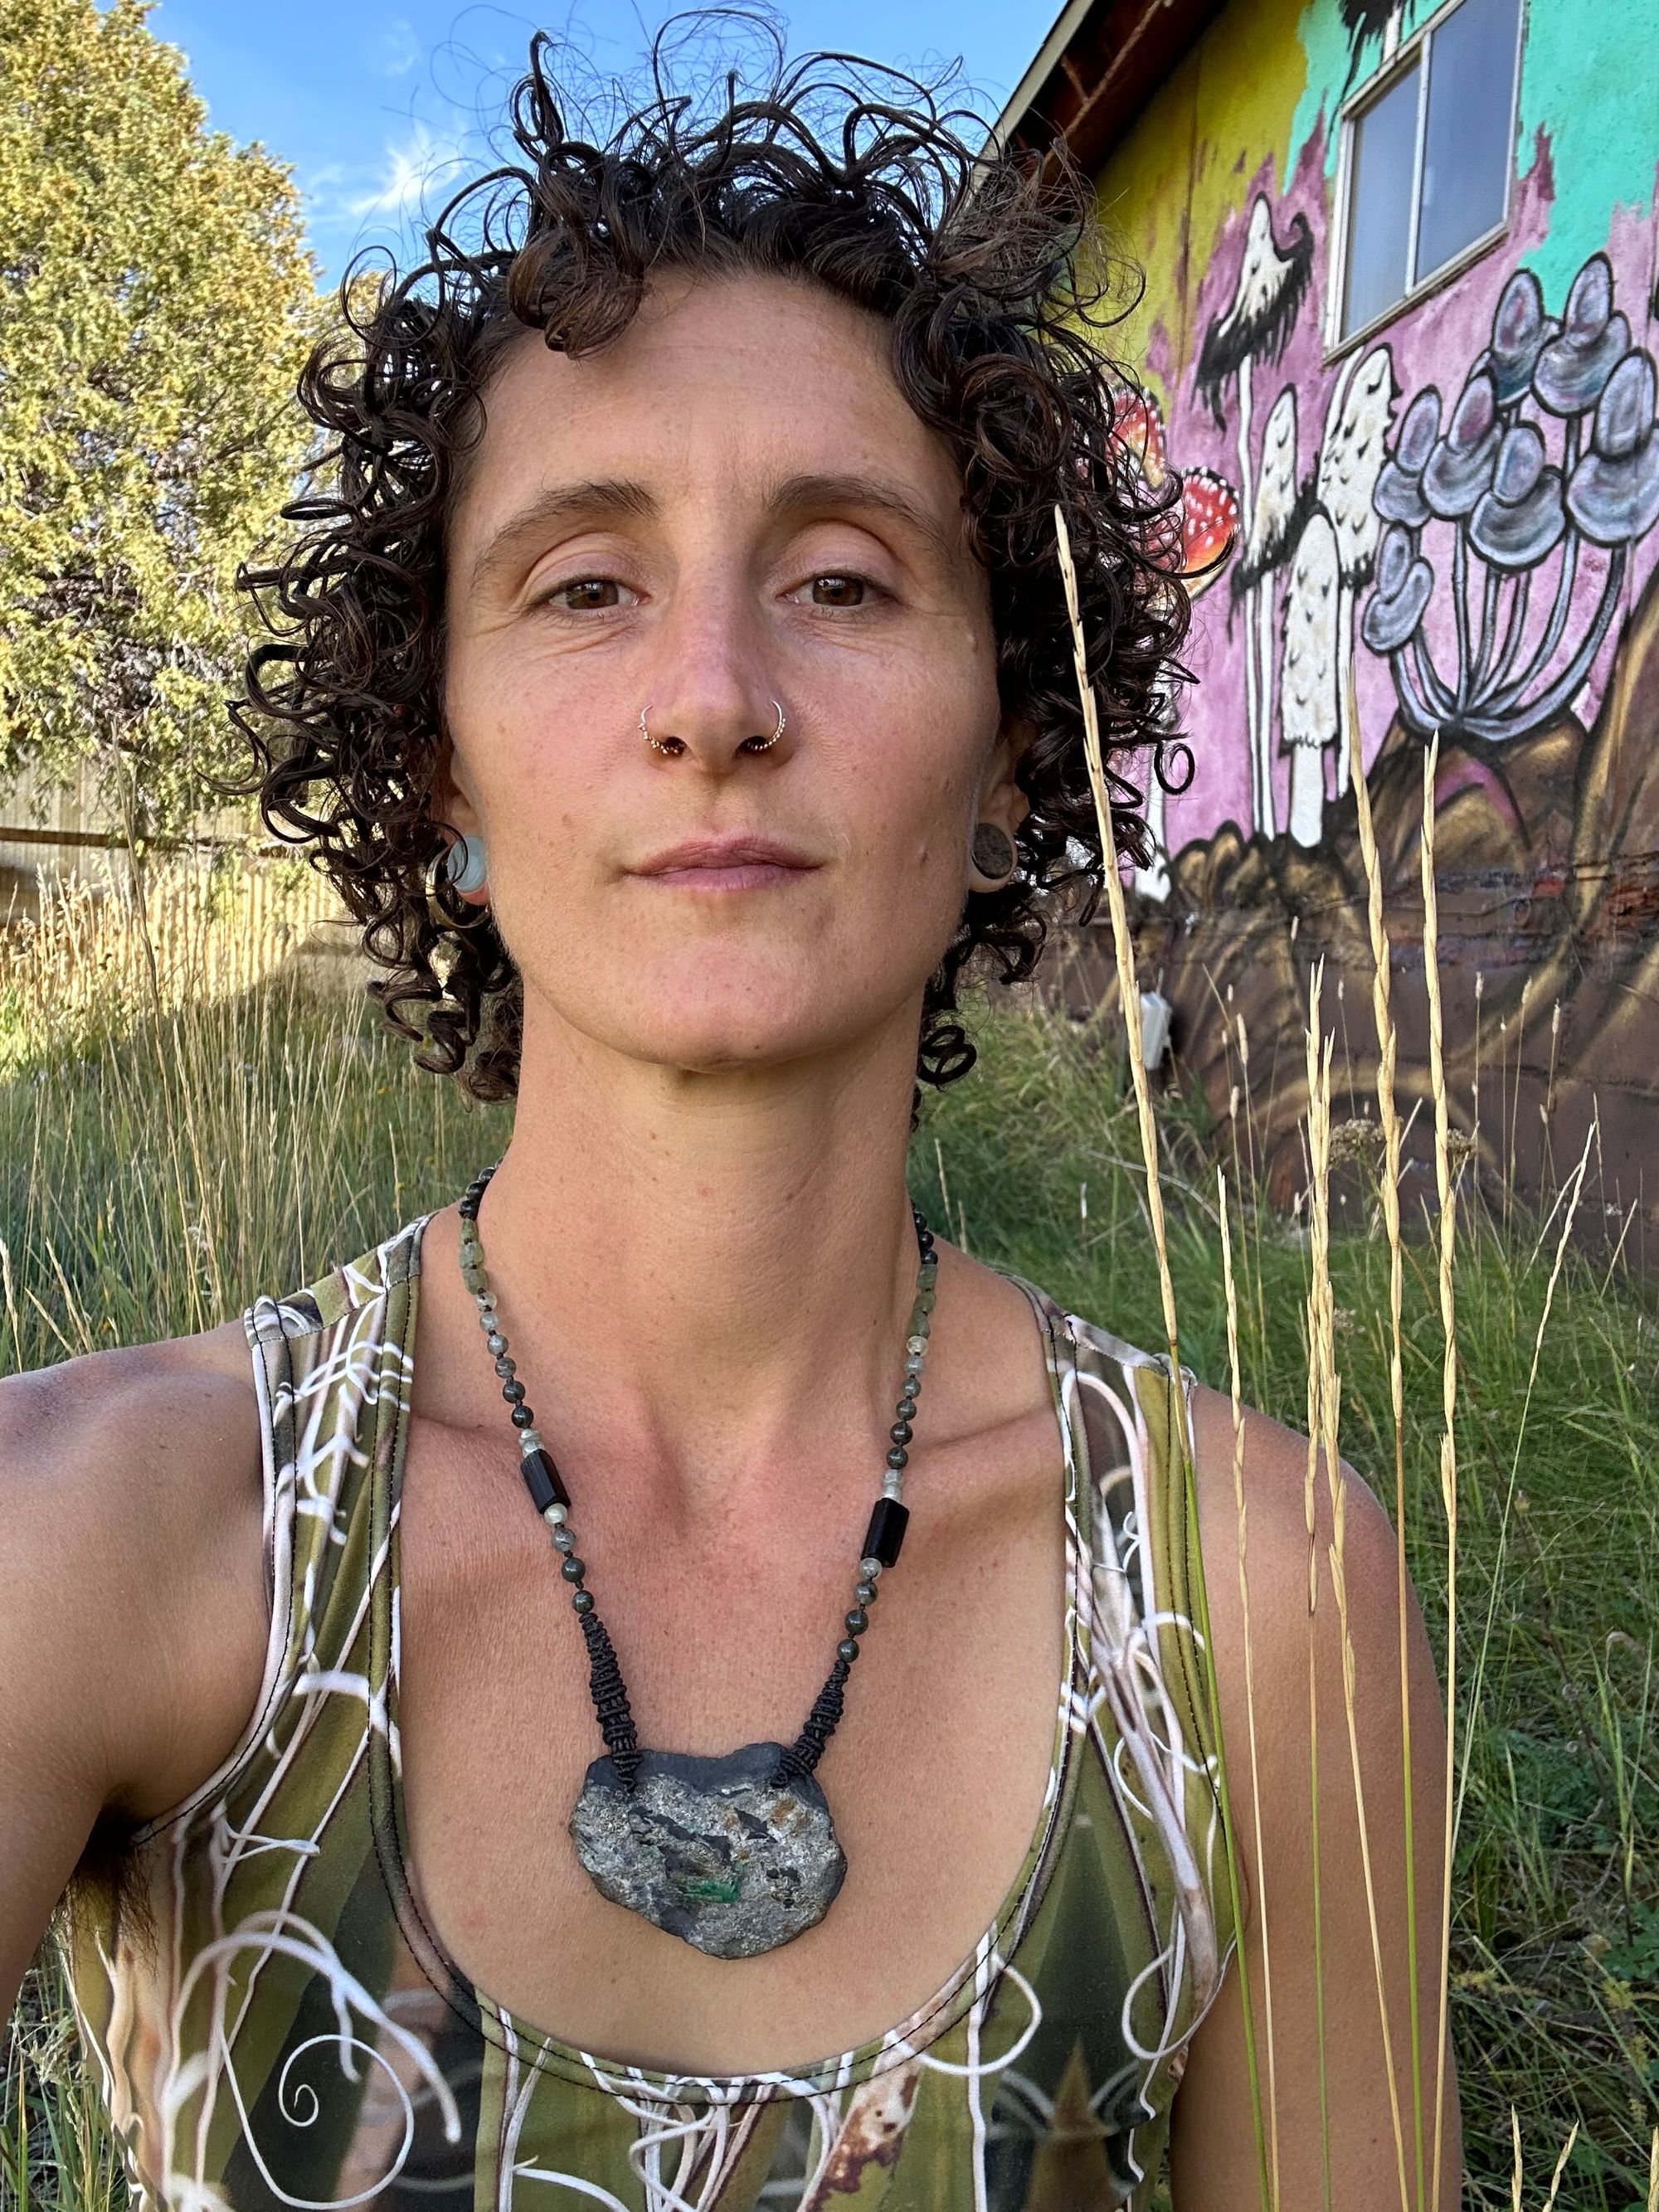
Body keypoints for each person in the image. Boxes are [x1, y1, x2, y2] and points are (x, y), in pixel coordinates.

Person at [0, 26, 1459, 2209]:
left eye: (846, 579)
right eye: (586, 584)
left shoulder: (1263, 1605)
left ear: (1009, 769)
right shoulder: (112, 1530)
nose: (715, 697)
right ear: (444, 777)